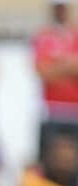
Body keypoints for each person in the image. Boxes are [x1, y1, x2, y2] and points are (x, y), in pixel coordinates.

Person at [33, 1, 78, 156]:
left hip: (75, 110)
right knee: (50, 159)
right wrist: (70, 64)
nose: (60, 11)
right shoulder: (43, 36)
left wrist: (57, 64)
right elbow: (43, 72)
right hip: (52, 110)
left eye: (63, 7)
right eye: (58, 7)